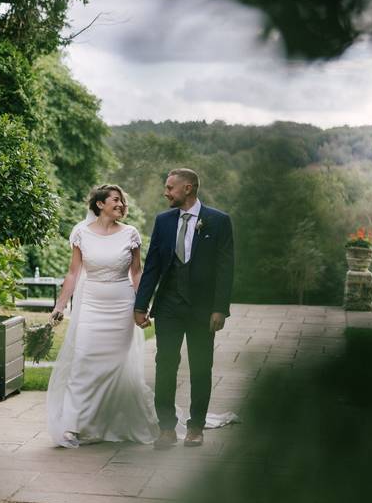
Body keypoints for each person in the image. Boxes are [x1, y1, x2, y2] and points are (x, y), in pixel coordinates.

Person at [46, 185, 159, 448]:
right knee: (83, 360)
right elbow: (73, 273)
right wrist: (60, 306)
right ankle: (74, 425)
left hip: (121, 307)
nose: (121, 205)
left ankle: (113, 420)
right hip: (91, 306)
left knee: (117, 365)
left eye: (122, 202)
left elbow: (137, 273)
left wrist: (142, 306)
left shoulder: (130, 234)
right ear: (100, 204)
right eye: (116, 200)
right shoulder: (81, 233)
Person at [134, 168, 235, 449]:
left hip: (203, 310)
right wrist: (140, 305)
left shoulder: (218, 221)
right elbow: (152, 265)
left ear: (188, 188)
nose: (166, 192)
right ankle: (166, 428)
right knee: (165, 365)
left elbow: (226, 269)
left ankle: (196, 427)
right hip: (168, 306)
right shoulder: (163, 221)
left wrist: (220, 309)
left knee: (201, 368)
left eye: (170, 187)